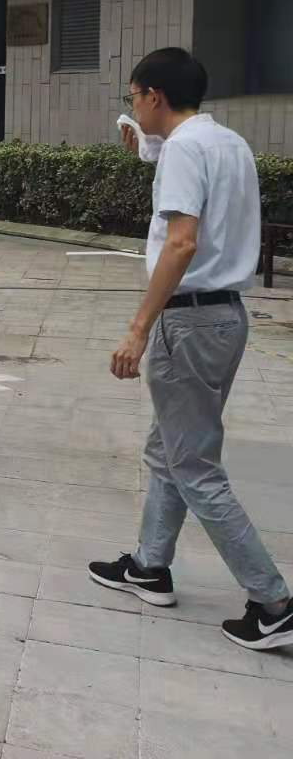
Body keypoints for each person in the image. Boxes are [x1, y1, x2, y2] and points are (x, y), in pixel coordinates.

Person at [88, 48, 292, 652]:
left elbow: (181, 242)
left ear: (154, 95)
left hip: (189, 321)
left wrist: (139, 328)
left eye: (133, 97)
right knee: (169, 449)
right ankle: (150, 566)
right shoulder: (229, 143)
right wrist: (148, 148)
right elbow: (199, 193)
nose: (133, 107)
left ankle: (273, 602)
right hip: (225, 317)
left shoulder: (183, 150)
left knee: (195, 466)